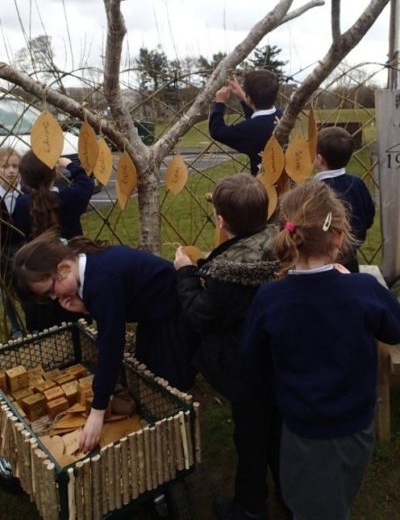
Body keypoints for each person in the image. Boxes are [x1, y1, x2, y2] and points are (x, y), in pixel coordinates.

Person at [241, 180, 400, 520]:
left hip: (302, 425)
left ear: (287, 234)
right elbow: (395, 328)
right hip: (356, 425)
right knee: (333, 497)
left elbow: (252, 357)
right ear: (339, 239)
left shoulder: (271, 298)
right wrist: (352, 282)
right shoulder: (363, 291)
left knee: (314, 505)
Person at [12, 231, 195, 453]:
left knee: (170, 380)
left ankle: (178, 441)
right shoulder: (85, 267)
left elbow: (111, 344)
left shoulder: (101, 280)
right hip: (153, 314)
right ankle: (161, 427)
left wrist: (98, 410)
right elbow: (111, 310)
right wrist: (86, 307)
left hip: (171, 314)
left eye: (50, 292)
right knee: (148, 370)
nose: (54, 299)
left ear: (63, 269)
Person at [174, 174, 284, 520]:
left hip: (247, 368)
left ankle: (250, 507)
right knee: (278, 433)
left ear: (221, 221)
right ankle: (290, 496)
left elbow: (201, 317)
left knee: (250, 437)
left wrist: (186, 274)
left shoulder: (229, 275)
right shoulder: (279, 245)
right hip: (280, 360)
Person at [12, 150, 95, 331]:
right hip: (68, 271)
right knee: (76, 325)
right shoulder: (69, 198)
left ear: (24, 178)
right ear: (54, 173)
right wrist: (68, 164)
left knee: (45, 329)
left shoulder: (22, 204)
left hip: (38, 272)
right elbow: (87, 182)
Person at [314, 126, 375, 272]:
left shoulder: (315, 191)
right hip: (351, 257)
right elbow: (368, 217)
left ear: (320, 159)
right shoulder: (358, 184)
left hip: (322, 260)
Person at [209, 70, 281, 176]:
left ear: (249, 97)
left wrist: (220, 103)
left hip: (264, 186)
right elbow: (258, 120)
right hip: (284, 180)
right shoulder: (280, 116)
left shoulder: (249, 129)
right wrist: (244, 97)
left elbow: (217, 131)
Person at [0, 147, 23, 338]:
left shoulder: (25, 194)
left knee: (26, 283)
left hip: (24, 248)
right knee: (6, 289)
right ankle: (15, 326)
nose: (10, 170)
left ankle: (33, 319)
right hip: (2, 251)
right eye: (4, 166)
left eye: (15, 166)